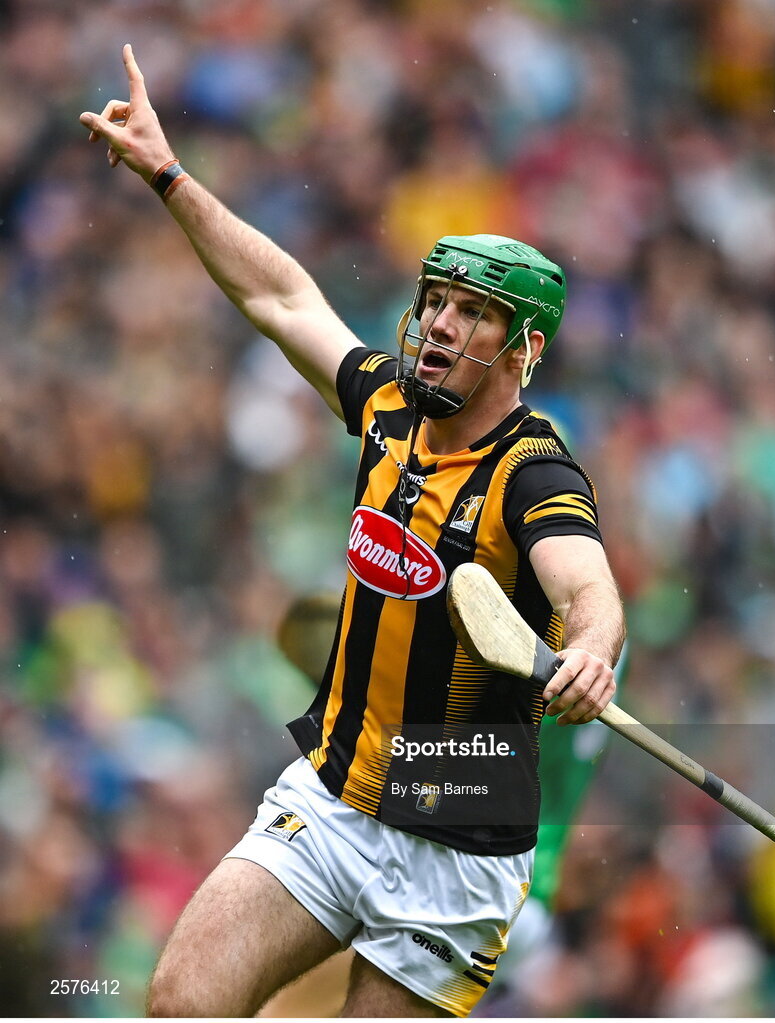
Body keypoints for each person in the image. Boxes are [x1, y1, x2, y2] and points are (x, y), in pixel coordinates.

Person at [80, 44, 626, 1019]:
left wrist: (589, 652)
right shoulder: (385, 403)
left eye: (473, 315)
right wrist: (168, 176)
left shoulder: (532, 471)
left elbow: (587, 585)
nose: (440, 328)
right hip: (332, 797)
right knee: (181, 1002)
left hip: (456, 848)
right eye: (438, 305)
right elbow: (280, 296)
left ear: (523, 350)